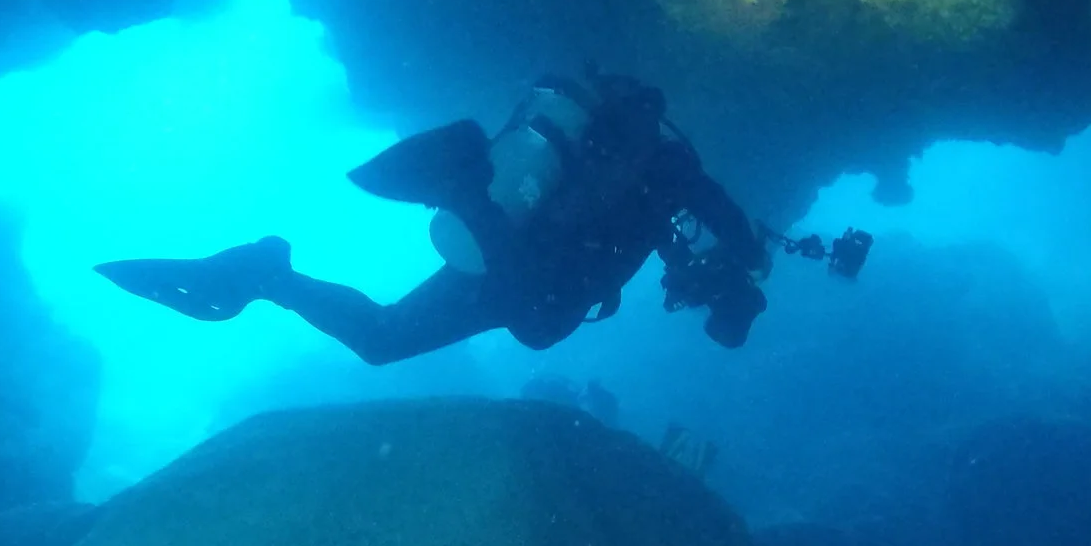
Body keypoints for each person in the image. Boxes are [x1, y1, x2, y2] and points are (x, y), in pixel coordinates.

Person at [97, 71, 772, 364]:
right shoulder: (670, 168)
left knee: (384, 339)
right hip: (532, 271)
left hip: (513, 252)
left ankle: (268, 274)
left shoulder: (614, 159)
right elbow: (725, 223)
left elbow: (672, 233)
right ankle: (462, 188)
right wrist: (752, 256)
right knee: (535, 327)